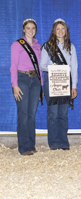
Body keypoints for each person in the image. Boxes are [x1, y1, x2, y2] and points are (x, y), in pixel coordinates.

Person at [40, 18, 78, 150]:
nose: (60, 31)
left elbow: (74, 67)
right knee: (53, 113)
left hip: (65, 83)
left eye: (63, 28)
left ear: (66, 31)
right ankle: (54, 142)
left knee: (63, 113)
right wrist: (53, 66)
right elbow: (41, 65)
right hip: (52, 82)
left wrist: (74, 86)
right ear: (54, 31)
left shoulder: (71, 47)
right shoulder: (47, 46)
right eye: (58, 29)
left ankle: (63, 142)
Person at [10, 18, 42, 155]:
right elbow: (13, 66)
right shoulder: (17, 44)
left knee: (31, 115)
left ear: (35, 30)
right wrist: (15, 85)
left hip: (35, 80)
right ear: (23, 29)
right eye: (28, 28)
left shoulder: (38, 46)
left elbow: (40, 68)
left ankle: (31, 145)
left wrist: (41, 86)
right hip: (22, 78)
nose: (31, 30)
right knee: (23, 114)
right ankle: (24, 147)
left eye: (33, 28)